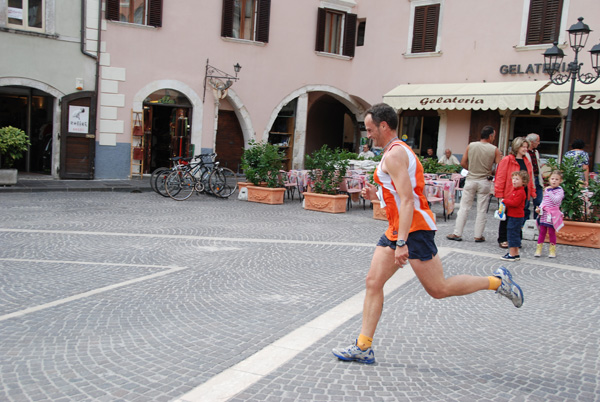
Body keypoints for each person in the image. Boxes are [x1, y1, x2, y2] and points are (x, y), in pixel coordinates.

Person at [331, 103, 524, 365]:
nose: (368, 134)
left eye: (370, 129)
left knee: (438, 288)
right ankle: (363, 347)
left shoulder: (395, 155)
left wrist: (401, 243)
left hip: (413, 230)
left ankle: (498, 282)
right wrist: (375, 194)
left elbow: (408, 201)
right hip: (398, 228)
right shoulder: (392, 152)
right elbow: (399, 193)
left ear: (383, 126)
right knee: (373, 282)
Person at [446, 126, 502, 243]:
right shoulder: (494, 149)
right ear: (490, 136)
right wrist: (490, 172)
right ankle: (478, 235)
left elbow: (463, 162)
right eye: (494, 136)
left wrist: (471, 169)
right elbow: (500, 167)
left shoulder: (471, 145)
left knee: (464, 207)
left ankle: (457, 233)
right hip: (484, 181)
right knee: (481, 209)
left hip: (471, 179)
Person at [495, 137, 536, 249]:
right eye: (523, 147)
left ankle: (515, 239)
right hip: (509, 193)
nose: (525, 149)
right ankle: (503, 238)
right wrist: (499, 194)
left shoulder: (527, 161)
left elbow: (529, 178)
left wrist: (532, 192)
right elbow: (500, 177)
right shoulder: (507, 160)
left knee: (519, 217)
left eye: (526, 147)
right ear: (517, 147)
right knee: (506, 217)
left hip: (523, 193)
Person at [534, 170, 565, 258]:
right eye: (552, 179)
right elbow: (544, 201)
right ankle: (538, 249)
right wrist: (539, 208)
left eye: (556, 179)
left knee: (551, 232)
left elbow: (556, 200)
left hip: (553, 214)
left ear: (560, 181)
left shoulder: (559, 191)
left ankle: (552, 250)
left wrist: (549, 191)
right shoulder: (547, 190)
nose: (554, 181)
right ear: (549, 179)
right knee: (542, 231)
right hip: (544, 214)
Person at [500, 171, 529, 261]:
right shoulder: (516, 191)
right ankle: (515, 253)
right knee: (514, 234)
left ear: (523, 182)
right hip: (514, 216)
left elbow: (515, 203)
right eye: (513, 179)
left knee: (512, 234)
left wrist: (505, 201)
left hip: (515, 216)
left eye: (517, 179)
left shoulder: (520, 192)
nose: (514, 181)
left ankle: (512, 254)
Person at [524, 133, 544, 220]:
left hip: (537, 179)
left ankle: (538, 221)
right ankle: (525, 222)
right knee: (526, 203)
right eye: (538, 141)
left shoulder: (536, 152)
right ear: (532, 142)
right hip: (528, 179)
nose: (538, 143)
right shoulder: (525, 153)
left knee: (539, 202)